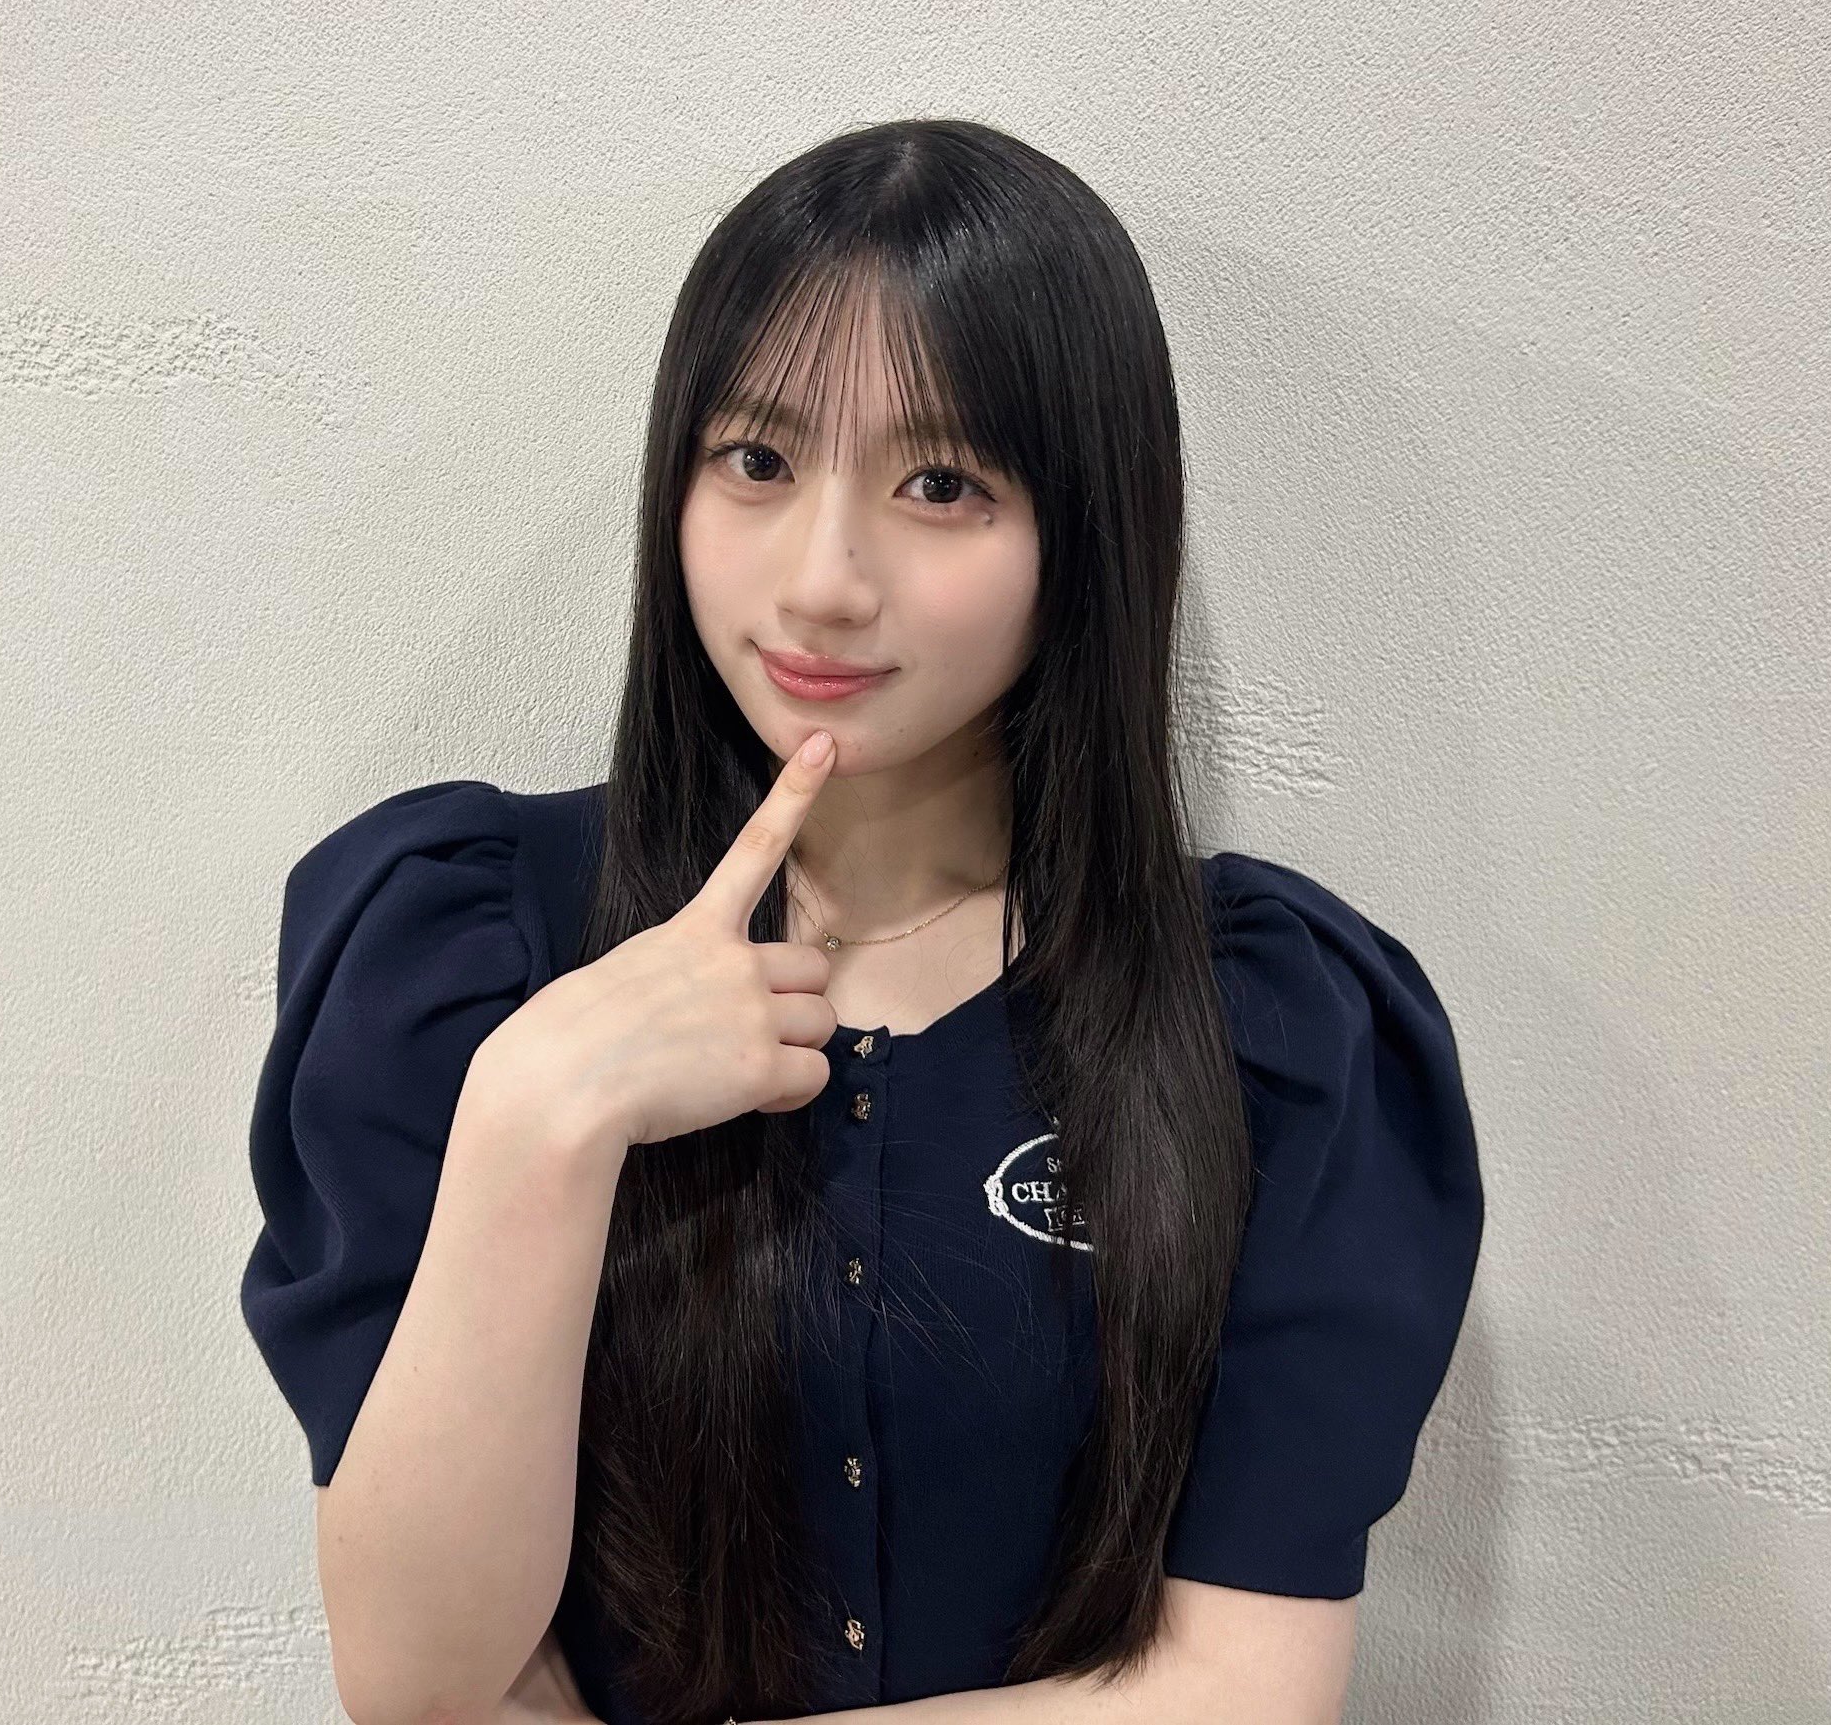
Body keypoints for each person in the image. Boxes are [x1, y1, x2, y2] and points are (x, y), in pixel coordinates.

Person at [239, 117, 1486, 1725]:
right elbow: (419, 1682)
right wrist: (539, 1118)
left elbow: (1240, 1692)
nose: (823, 578)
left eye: (940, 483)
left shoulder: (1270, 1031)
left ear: (1083, 530)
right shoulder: (459, 947)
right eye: (756, 462)